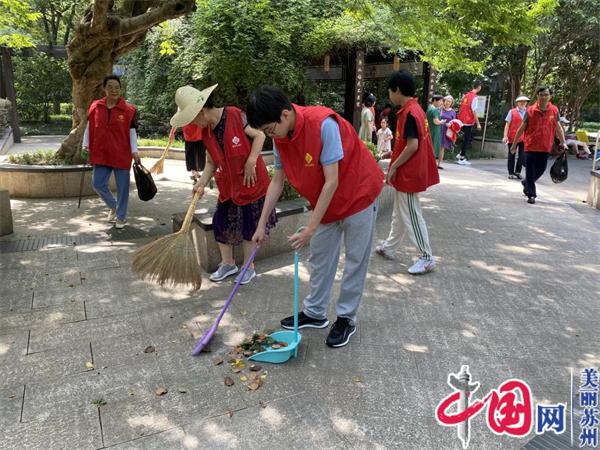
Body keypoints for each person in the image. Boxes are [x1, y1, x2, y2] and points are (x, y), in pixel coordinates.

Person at [247, 86, 384, 348]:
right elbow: (277, 181)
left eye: (269, 129)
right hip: (326, 201)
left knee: (356, 259)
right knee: (320, 256)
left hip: (358, 193)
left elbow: (331, 181)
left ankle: (346, 317)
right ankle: (315, 312)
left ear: (285, 115)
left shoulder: (323, 124)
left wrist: (310, 227)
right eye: (264, 132)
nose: (269, 135)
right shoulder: (280, 138)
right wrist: (261, 224)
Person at [170, 84, 276, 284]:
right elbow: (211, 162)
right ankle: (228, 264)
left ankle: (248, 267)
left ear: (201, 112)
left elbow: (260, 135)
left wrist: (252, 161)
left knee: (248, 226)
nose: (193, 124)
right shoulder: (206, 132)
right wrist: (201, 183)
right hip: (228, 186)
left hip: (249, 181)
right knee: (221, 222)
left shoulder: (235, 115)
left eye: (193, 119)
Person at [375, 70, 439, 275]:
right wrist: (391, 158)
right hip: (409, 172)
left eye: (390, 91)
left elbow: (412, 145)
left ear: (398, 90)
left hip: (408, 174)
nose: (390, 96)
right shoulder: (415, 110)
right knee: (401, 213)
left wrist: (393, 167)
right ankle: (390, 246)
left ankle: (427, 258)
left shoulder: (410, 113)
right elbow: (408, 144)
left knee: (411, 214)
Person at [83, 75, 141, 230]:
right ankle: (113, 206)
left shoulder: (129, 110)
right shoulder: (95, 106)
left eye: (117, 87)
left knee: (123, 188)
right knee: (97, 183)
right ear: (104, 88)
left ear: (120, 89)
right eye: (110, 87)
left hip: (121, 153)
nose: (114, 90)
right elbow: (89, 127)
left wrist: (134, 151)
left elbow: (132, 132)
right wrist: (85, 145)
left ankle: (121, 216)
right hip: (101, 152)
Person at [511, 87, 568, 204]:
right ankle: (531, 194)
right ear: (537, 96)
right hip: (530, 145)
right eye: (541, 95)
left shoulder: (554, 110)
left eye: (546, 95)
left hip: (545, 146)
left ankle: (527, 183)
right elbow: (522, 128)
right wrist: (514, 144)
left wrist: (563, 142)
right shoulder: (530, 110)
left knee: (541, 169)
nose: (543, 97)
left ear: (550, 96)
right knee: (530, 170)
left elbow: (558, 128)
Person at [502, 95, 529, 179]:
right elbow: (507, 125)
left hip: (524, 138)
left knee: (522, 156)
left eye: (524, 101)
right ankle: (510, 172)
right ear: (517, 103)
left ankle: (517, 172)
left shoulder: (528, 112)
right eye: (521, 101)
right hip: (512, 137)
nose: (523, 103)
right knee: (511, 155)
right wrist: (505, 136)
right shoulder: (512, 112)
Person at [456, 80, 483, 165]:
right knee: (467, 139)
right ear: (479, 87)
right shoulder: (474, 97)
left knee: (467, 138)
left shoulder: (466, 95)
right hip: (468, 121)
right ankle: (462, 157)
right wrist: (478, 123)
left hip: (461, 119)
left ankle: (460, 154)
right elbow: (474, 110)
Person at [426, 94, 446, 166]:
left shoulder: (430, 108)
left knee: (429, 148)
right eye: (440, 101)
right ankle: (430, 165)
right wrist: (442, 121)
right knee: (433, 148)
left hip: (430, 130)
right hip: (434, 131)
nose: (442, 103)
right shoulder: (434, 110)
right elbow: (436, 121)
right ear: (434, 100)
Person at [439, 95, 457, 169]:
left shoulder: (453, 112)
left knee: (442, 148)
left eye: (449, 102)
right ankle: (432, 162)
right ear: (444, 101)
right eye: (446, 101)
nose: (448, 103)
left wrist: (450, 125)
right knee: (435, 146)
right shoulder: (440, 109)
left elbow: (454, 122)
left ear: (451, 103)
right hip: (439, 129)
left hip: (446, 131)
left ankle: (438, 164)